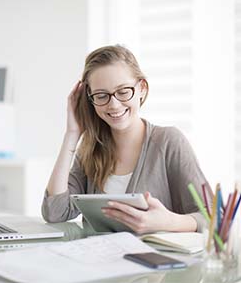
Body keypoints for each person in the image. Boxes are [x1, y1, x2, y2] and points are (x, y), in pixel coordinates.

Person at [42, 44, 210, 233]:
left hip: (155, 261)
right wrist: (72, 134)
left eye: (123, 91)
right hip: (100, 260)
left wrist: (167, 222)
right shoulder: (91, 147)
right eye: (101, 95)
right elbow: (54, 212)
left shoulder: (169, 141)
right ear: (90, 99)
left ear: (142, 89)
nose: (113, 105)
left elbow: (212, 219)